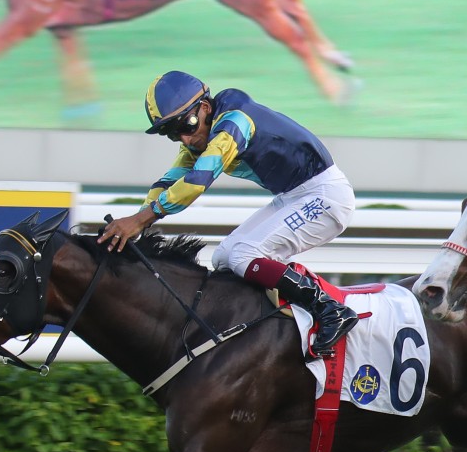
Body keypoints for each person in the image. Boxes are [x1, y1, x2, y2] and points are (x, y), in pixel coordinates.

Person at [98, 70, 358, 358]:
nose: (185, 138)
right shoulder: (201, 133)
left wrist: (140, 221)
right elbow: (169, 181)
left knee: (244, 255)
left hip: (326, 196)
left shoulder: (234, 122)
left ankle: (329, 309)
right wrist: (137, 224)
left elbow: (196, 182)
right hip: (294, 196)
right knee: (223, 257)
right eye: (172, 133)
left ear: (204, 107)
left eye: (186, 125)